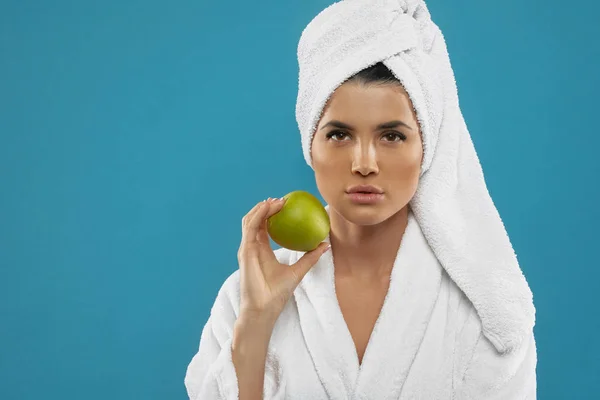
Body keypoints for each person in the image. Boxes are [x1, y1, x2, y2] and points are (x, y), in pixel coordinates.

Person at [184, 1, 537, 399]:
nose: (364, 163)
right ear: (310, 146)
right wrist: (256, 322)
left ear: (427, 148)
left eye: (392, 136)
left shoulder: (482, 308)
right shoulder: (244, 297)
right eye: (339, 134)